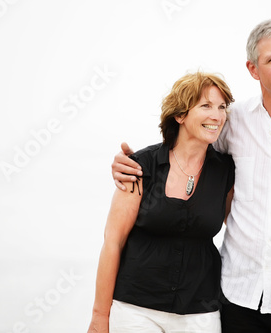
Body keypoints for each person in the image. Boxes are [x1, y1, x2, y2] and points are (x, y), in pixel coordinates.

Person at [111, 18, 271, 333]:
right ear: (252, 69)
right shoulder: (234, 123)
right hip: (237, 298)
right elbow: (186, 150)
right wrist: (135, 163)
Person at [87, 71, 235, 333]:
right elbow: (113, 241)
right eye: (206, 106)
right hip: (135, 309)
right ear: (180, 115)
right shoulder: (140, 166)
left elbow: (246, 222)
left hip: (200, 310)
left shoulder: (226, 171)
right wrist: (100, 317)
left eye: (222, 107)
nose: (217, 115)